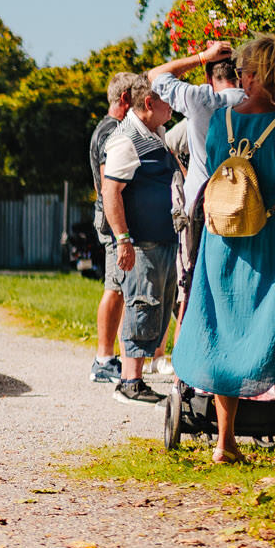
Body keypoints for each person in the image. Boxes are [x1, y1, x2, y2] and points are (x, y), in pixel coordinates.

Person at [172, 35, 275, 462]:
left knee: (224, 332)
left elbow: (215, 171)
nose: (240, 77)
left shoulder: (220, 122)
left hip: (223, 241)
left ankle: (224, 443)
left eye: (243, 71)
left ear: (254, 75)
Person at [146, 41, 245, 303]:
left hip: (202, 209)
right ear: (239, 75)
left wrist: (202, 56)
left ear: (208, 77)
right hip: (245, 211)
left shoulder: (200, 99)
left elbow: (154, 75)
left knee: (193, 291)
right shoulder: (254, 105)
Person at [100, 75, 178, 406]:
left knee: (157, 308)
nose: (173, 106)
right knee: (141, 306)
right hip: (142, 242)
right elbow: (110, 191)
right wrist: (123, 239)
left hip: (163, 238)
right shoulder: (126, 139)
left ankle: (137, 378)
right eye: (167, 101)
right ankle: (130, 382)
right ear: (149, 103)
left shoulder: (155, 132)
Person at [88, 74, 135, 383]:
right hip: (111, 219)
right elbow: (108, 184)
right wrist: (120, 231)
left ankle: (111, 356)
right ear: (125, 99)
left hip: (108, 217)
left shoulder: (105, 128)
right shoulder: (111, 131)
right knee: (115, 287)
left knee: (118, 287)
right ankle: (103, 359)